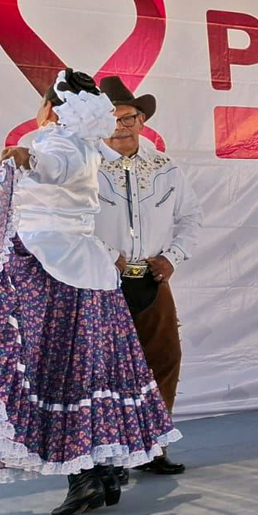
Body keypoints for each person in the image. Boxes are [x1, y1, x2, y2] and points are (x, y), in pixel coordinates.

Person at [0, 69, 180, 515]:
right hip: (83, 268)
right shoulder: (84, 144)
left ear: (51, 108)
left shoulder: (59, 144)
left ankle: (87, 475)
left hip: (55, 271)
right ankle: (102, 470)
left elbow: (55, 167)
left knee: (60, 371)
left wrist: (27, 158)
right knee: (94, 373)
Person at [94, 76, 203, 476]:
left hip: (152, 282)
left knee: (164, 360)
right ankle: (110, 456)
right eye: (112, 119)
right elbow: (70, 222)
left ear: (141, 120)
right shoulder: (84, 166)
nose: (120, 127)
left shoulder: (164, 166)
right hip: (99, 284)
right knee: (105, 369)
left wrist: (172, 257)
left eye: (128, 118)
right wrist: (109, 256)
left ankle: (153, 445)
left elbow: (191, 217)